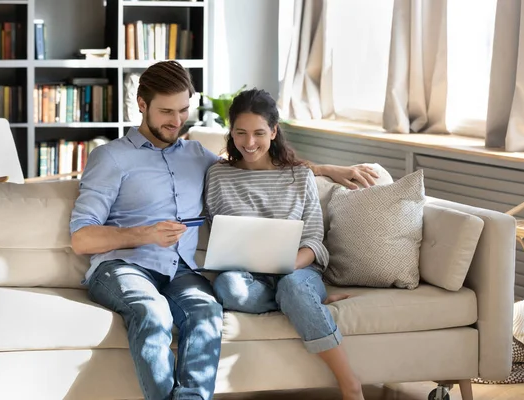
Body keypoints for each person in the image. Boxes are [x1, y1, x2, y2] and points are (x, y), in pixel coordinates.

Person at [69, 61, 376, 400]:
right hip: (122, 268)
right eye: (166, 111)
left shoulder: (197, 156)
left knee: (207, 312)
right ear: (142, 105)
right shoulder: (110, 158)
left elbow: (256, 162)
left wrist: (323, 169)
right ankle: (299, 301)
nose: (176, 121)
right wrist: (144, 234)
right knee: (152, 312)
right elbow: (82, 239)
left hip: (179, 271)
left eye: (183, 110)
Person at [205, 88, 365, 400]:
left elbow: (313, 240)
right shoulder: (218, 176)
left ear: (274, 131)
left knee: (292, 285)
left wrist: (288, 265)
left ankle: (351, 384)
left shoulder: (298, 176)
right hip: (246, 277)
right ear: (231, 133)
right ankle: (302, 304)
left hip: (297, 271)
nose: (249, 143)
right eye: (240, 133)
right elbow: (220, 232)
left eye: (258, 133)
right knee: (226, 288)